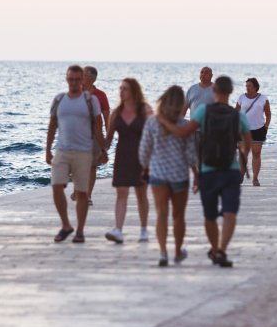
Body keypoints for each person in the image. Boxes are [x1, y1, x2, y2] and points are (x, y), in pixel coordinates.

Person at [159, 76, 252, 268]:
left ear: (213, 91)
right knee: (230, 213)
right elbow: (247, 141)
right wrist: (243, 155)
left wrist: (163, 121)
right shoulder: (238, 116)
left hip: (208, 170)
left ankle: (215, 247)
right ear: (230, 92)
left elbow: (185, 133)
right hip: (230, 169)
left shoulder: (203, 112)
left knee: (209, 215)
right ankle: (221, 250)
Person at [138, 85, 198, 267]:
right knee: (178, 216)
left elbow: (144, 150)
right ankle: (178, 251)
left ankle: (163, 252)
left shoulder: (152, 122)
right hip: (179, 175)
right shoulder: (185, 125)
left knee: (161, 214)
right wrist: (196, 174)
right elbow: (191, 155)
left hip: (158, 175)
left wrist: (145, 168)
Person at [46, 65, 106, 244]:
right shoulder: (59, 100)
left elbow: (97, 126)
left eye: (77, 79)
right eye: (70, 79)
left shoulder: (90, 101)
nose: (73, 82)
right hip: (62, 151)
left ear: (83, 80)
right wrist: (47, 150)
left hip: (83, 152)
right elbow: (52, 125)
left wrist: (103, 150)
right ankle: (66, 225)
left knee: (81, 193)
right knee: (57, 186)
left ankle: (79, 230)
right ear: (66, 79)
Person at [104, 78, 152, 245]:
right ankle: (118, 230)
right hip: (122, 157)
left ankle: (144, 229)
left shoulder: (145, 110)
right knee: (121, 193)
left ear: (133, 91)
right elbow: (108, 138)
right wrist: (100, 151)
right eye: (120, 88)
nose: (121, 91)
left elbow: (153, 135)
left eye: (125, 89)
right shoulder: (116, 113)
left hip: (142, 158)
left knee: (141, 194)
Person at [235, 77, 271, 186]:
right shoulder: (241, 97)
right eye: (246, 86)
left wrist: (266, 126)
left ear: (255, 87)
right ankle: (241, 175)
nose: (247, 88)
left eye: (249, 86)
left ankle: (255, 178)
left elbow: (268, 114)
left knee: (256, 153)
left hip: (258, 129)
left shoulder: (263, 98)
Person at [82, 66, 110, 206]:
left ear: (92, 78)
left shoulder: (100, 95)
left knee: (92, 166)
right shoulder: (75, 93)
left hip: (95, 135)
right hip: (77, 135)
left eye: (84, 75)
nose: (81, 77)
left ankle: (87, 195)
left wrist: (107, 137)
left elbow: (106, 116)